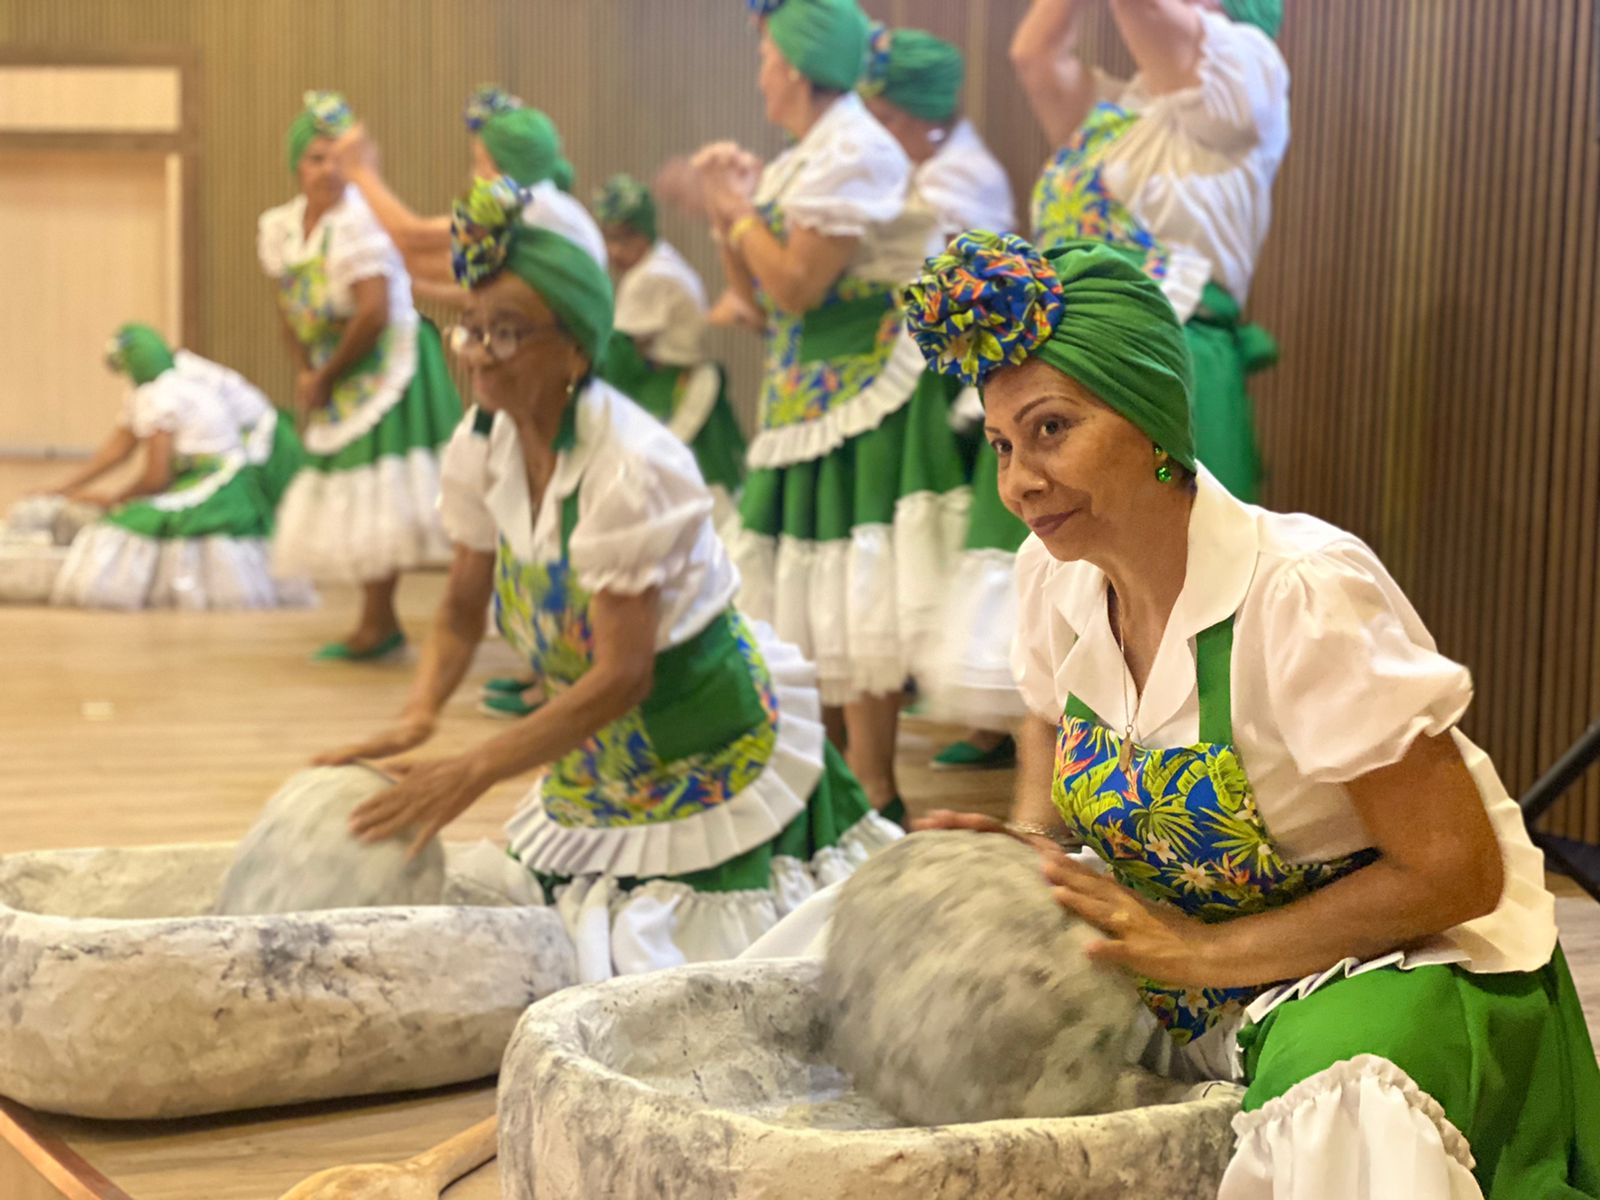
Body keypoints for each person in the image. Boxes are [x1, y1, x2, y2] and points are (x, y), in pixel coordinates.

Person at [900, 231, 1600, 1197]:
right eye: (1003, 444)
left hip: (1391, 958)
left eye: (1053, 429)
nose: (1017, 483)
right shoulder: (1051, 578)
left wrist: (1204, 954)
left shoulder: (1303, 593)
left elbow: (1458, 873)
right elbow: (1049, 747)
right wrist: (1020, 851)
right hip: (1190, 939)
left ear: (1153, 423)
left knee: (1340, 1114)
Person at [319, 177, 899, 982]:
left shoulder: (629, 468)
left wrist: (476, 768)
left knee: (686, 981)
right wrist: (419, 715)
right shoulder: (483, 443)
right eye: (471, 330)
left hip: (701, 762)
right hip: (597, 766)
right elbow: (457, 609)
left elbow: (624, 676)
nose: (480, 354)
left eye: (509, 332)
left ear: (579, 345)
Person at [693, 0, 971, 823]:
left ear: (798, 64)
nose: (760, 74)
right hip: (805, 395)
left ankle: (876, 786)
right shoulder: (806, 156)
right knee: (815, 590)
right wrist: (726, 211)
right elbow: (755, 302)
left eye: (766, 57)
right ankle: (834, 776)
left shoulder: (853, 150)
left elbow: (797, 285)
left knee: (861, 586)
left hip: (863, 397)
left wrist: (739, 212)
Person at [1012, 0, 1288, 504]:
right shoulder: (1118, 112)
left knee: (1154, 545)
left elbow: (1146, 13)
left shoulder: (1250, 68)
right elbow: (1034, 54)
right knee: (1053, 554)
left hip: (1157, 357)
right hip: (1064, 353)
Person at [857, 20, 1024, 774]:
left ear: (925, 118)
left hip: (963, 369)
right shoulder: (928, 170)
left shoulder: (963, 179)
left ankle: (1004, 726)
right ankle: (991, 726)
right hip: (926, 365)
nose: (881, 134)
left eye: (888, 120)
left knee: (973, 528)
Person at [258, 91, 463, 660]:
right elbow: (289, 309)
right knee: (347, 487)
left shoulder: (360, 223)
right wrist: (305, 371)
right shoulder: (279, 227)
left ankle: (390, 621)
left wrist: (326, 376)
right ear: (296, 166)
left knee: (380, 489)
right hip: (333, 359)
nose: (328, 171)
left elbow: (372, 311)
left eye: (338, 159)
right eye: (315, 159)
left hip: (383, 358)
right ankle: (379, 619)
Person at [48, 323, 310, 610]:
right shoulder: (175, 382)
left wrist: (113, 501)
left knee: (122, 527)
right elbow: (121, 446)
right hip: (233, 477)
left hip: (224, 479)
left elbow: (156, 477)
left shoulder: (160, 394)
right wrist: (65, 487)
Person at [332, 86, 591, 309]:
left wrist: (360, 171)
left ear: (503, 168)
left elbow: (413, 237)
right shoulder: (548, 206)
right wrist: (402, 281)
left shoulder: (530, 202)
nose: (474, 177)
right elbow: (474, 289)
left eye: (479, 164)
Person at [591, 172, 746, 530]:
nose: (613, 251)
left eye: (623, 239)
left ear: (643, 233)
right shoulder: (656, 262)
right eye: (608, 239)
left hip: (675, 388)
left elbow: (624, 355)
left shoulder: (651, 276)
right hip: (672, 378)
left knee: (680, 486)